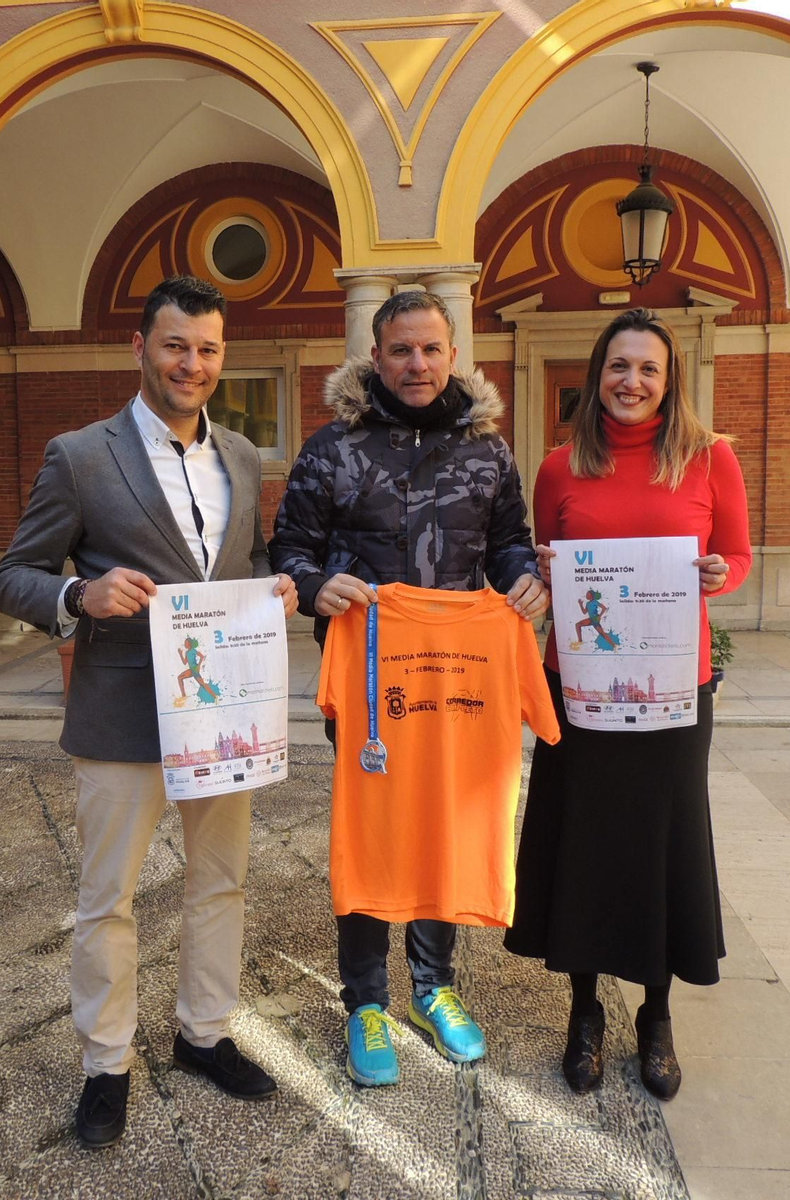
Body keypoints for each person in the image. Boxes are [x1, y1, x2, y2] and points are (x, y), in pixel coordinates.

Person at [0, 276, 299, 1148]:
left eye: (206, 349)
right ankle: (106, 1065)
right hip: (123, 713)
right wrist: (81, 595)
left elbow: (251, 555)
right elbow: (13, 575)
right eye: (175, 345)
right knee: (108, 899)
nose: (190, 364)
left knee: (222, 881)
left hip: (222, 717)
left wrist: (272, 585)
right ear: (141, 348)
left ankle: (203, 1034)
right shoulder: (80, 455)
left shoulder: (240, 456)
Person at [270, 289, 547, 1086]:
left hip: (458, 679)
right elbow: (286, 547)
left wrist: (525, 582)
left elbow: (508, 545)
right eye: (401, 351)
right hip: (368, 684)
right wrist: (316, 585)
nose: (417, 365)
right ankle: (365, 1000)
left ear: (454, 354)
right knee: (373, 825)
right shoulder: (333, 448)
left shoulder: (488, 451)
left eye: (431, 350)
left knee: (442, 826)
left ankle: (435, 986)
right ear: (376, 355)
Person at [503, 307, 751, 1100]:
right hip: (578, 692)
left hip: (675, 691)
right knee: (583, 842)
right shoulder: (557, 468)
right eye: (618, 366)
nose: (632, 381)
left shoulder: (711, 460)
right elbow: (546, 566)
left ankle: (656, 1013)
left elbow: (738, 553)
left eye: (648, 368)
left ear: (669, 379)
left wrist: (721, 575)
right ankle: (583, 1011)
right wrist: (542, 572)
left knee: (663, 842)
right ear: (596, 374)